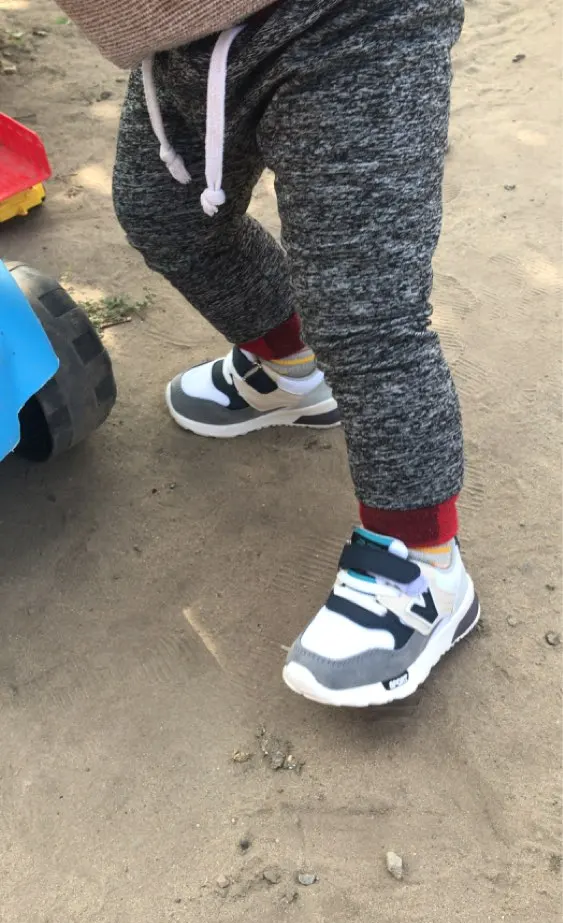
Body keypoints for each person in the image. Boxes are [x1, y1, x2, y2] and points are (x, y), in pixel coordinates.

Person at [59, 0, 480, 707]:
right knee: (167, 220)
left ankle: (425, 564)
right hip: (181, 34)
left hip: (348, 20)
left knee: (362, 312)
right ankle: (290, 372)